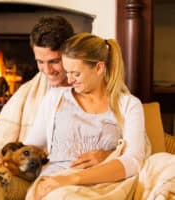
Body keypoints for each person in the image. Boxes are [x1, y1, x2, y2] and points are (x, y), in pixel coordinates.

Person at [0, 17, 111, 199]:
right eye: (40, 62)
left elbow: (130, 144)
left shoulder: (98, 89)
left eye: (54, 61)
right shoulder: (31, 91)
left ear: (69, 54)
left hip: (69, 176)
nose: (47, 70)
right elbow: (6, 133)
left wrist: (106, 155)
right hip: (28, 172)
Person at [23, 32, 147, 200]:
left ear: (99, 68)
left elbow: (133, 160)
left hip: (106, 184)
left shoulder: (128, 104)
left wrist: (76, 177)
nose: (69, 79)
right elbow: (30, 147)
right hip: (57, 184)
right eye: (67, 72)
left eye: (76, 73)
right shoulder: (55, 98)